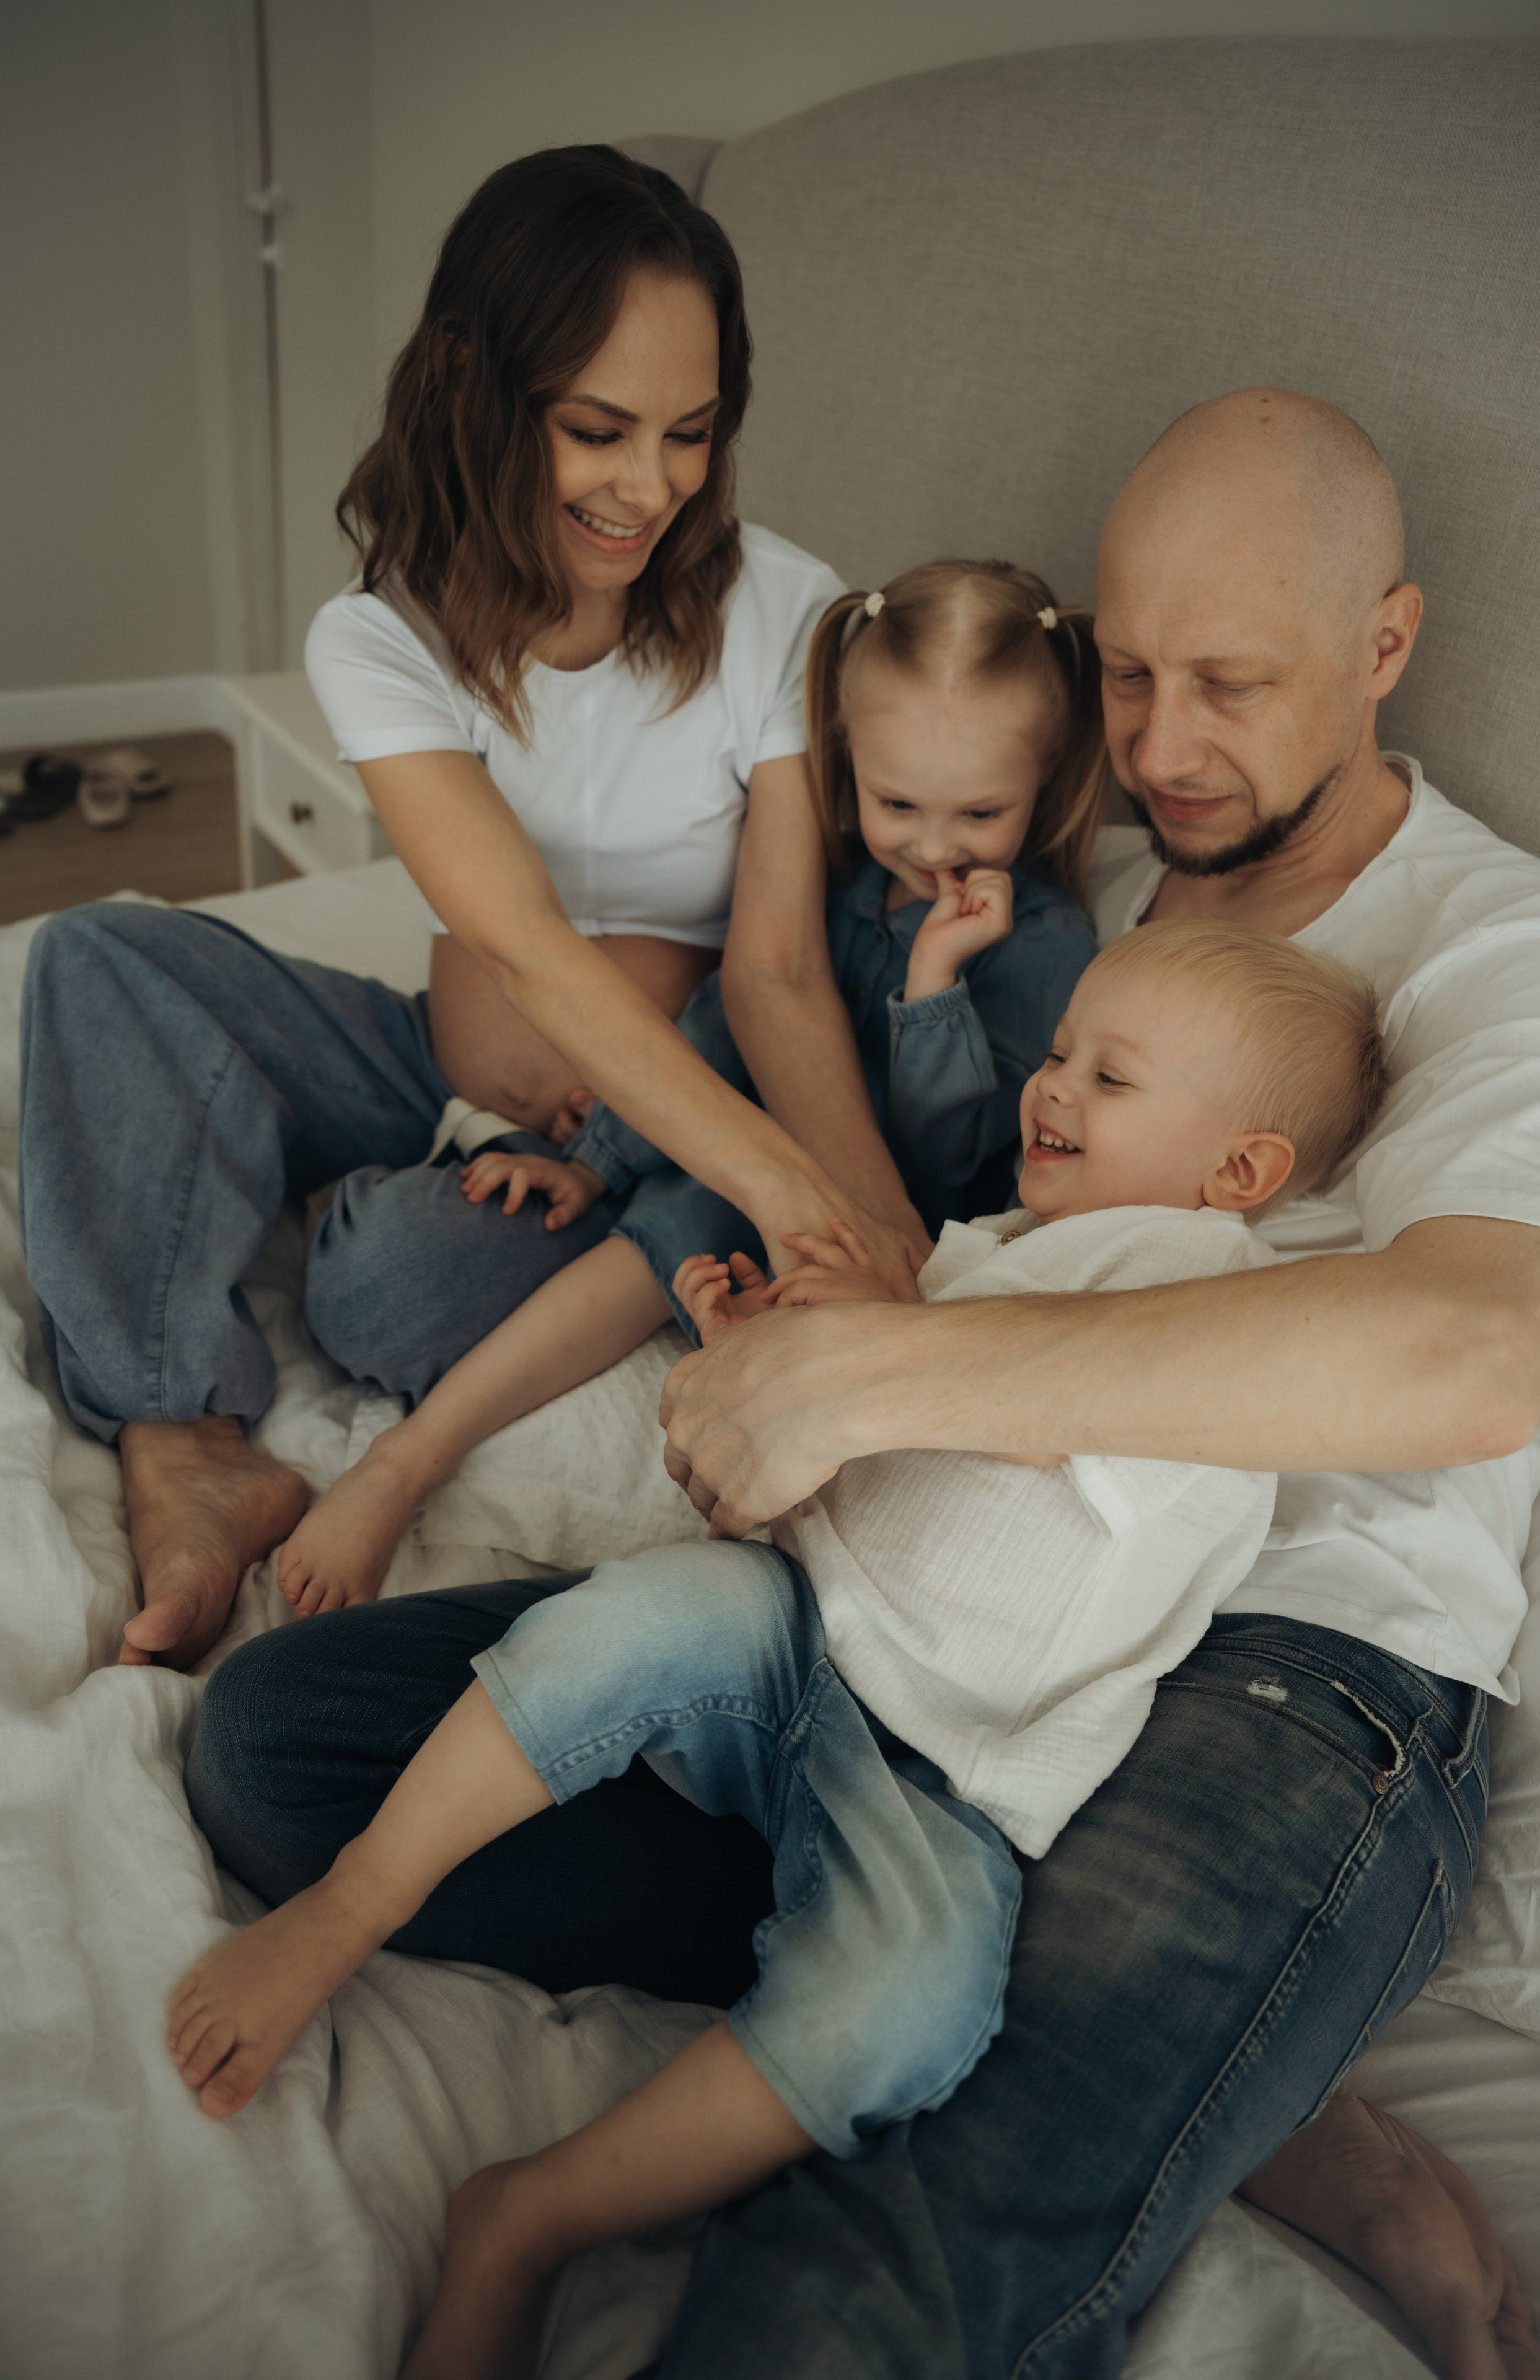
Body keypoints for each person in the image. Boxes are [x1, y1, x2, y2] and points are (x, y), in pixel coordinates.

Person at [186, 389, 1540, 2380]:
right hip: (904, 1623)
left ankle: (1170, 2061)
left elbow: (1482, 1349)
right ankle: (1231, 2084)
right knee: (284, 1748)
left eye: (1233, 686)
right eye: (1130, 674)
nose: (1163, 746)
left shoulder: (1488, 946)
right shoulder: (1071, 898)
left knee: (855, 2294)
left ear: (1385, 645)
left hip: (1277, 1669)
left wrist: (885, 1369)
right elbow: (849, 1087)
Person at [168, 920, 1388, 2380]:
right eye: (1058, 1052)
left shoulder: (1214, 1306)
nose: (1050, 1087)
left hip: (948, 1778)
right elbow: (862, 1463)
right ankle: (350, 1906)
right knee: (647, 1618)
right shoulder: (995, 1250)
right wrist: (763, 1359)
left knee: (911, 2009)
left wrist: (859, 1357)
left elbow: (1035, 1423)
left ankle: (535, 2216)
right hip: (790, 1631)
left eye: (1108, 1077)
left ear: (1239, 1174)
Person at [15, 145, 940, 1673]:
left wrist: (845, 1214)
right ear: (471, 389)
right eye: (597, 430)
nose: (649, 487)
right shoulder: (380, 641)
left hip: (656, 1135)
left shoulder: (781, 610)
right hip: (432, 1067)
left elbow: (776, 971)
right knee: (100, 959)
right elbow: (518, 943)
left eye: (690, 433)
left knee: (379, 1291)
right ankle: (183, 1444)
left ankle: (340, 1197)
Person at [271, 560, 1102, 1616]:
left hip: (905, 1219)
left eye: (981, 811)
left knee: (719, 1238)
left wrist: (936, 982)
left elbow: (954, 1158)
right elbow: (718, 1029)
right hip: (762, 1173)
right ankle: (408, 1460)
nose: (934, 846)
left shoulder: (1043, 943)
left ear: (1048, 772)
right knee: (672, 1213)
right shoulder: (837, 892)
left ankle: (723, 1378)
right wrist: (594, 1163)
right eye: (896, 803)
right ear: (845, 756)